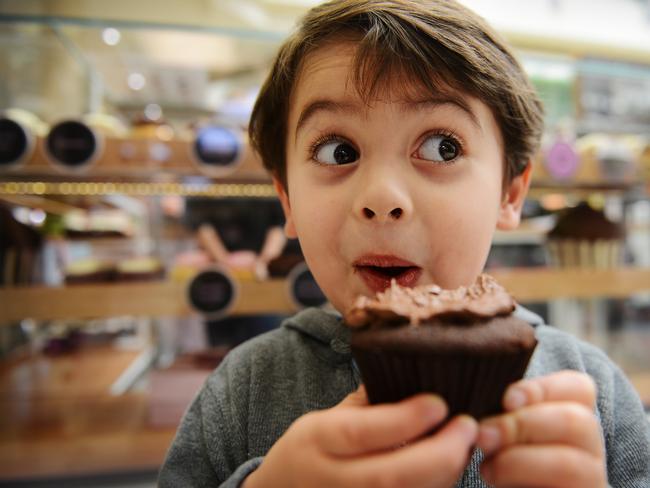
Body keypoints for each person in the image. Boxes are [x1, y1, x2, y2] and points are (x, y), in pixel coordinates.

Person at [159, 1, 650, 486]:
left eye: (443, 147)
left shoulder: (592, 394)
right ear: (286, 198)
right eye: (339, 151)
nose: (381, 199)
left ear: (510, 192)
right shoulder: (240, 392)